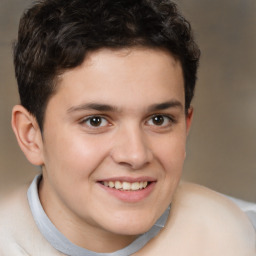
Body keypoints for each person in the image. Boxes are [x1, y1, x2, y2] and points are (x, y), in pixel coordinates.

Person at [0, 0, 255, 255]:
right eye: (95, 121)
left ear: (185, 128)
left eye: (158, 120)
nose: (135, 155)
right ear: (31, 136)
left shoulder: (244, 235)